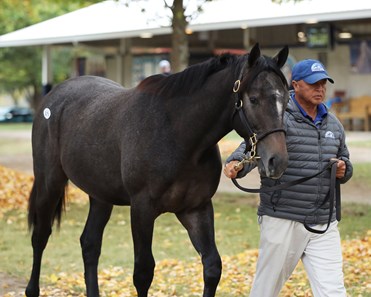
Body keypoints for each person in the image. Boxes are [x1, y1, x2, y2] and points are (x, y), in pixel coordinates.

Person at [224, 59, 353, 297]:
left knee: (333, 291)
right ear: (295, 85)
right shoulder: (279, 117)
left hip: (323, 223)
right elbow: (251, 147)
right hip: (283, 219)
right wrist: (236, 164)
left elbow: (345, 160)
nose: (320, 89)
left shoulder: (333, 124)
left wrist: (345, 169)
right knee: (265, 290)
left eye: (323, 83)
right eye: (314, 83)